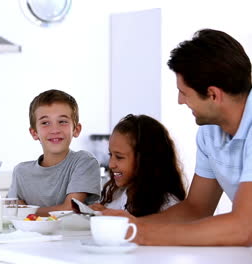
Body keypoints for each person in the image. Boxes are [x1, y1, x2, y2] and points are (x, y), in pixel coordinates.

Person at [102, 29, 252, 246]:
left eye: (184, 92)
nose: (180, 101)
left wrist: (139, 232)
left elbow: (245, 227)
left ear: (213, 95)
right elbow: (196, 209)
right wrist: (129, 226)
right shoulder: (210, 132)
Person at [7, 89, 101, 216]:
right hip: (30, 235)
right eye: (45, 123)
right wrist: (20, 211)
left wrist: (26, 211)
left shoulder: (85, 162)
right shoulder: (21, 172)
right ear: (34, 133)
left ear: (76, 129)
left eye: (62, 121)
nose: (55, 130)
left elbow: (69, 210)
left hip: (74, 236)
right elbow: (11, 211)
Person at [89, 114, 186, 216]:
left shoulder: (169, 206)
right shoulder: (118, 194)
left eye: (119, 157)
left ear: (146, 160)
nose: (111, 164)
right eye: (110, 155)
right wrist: (101, 213)